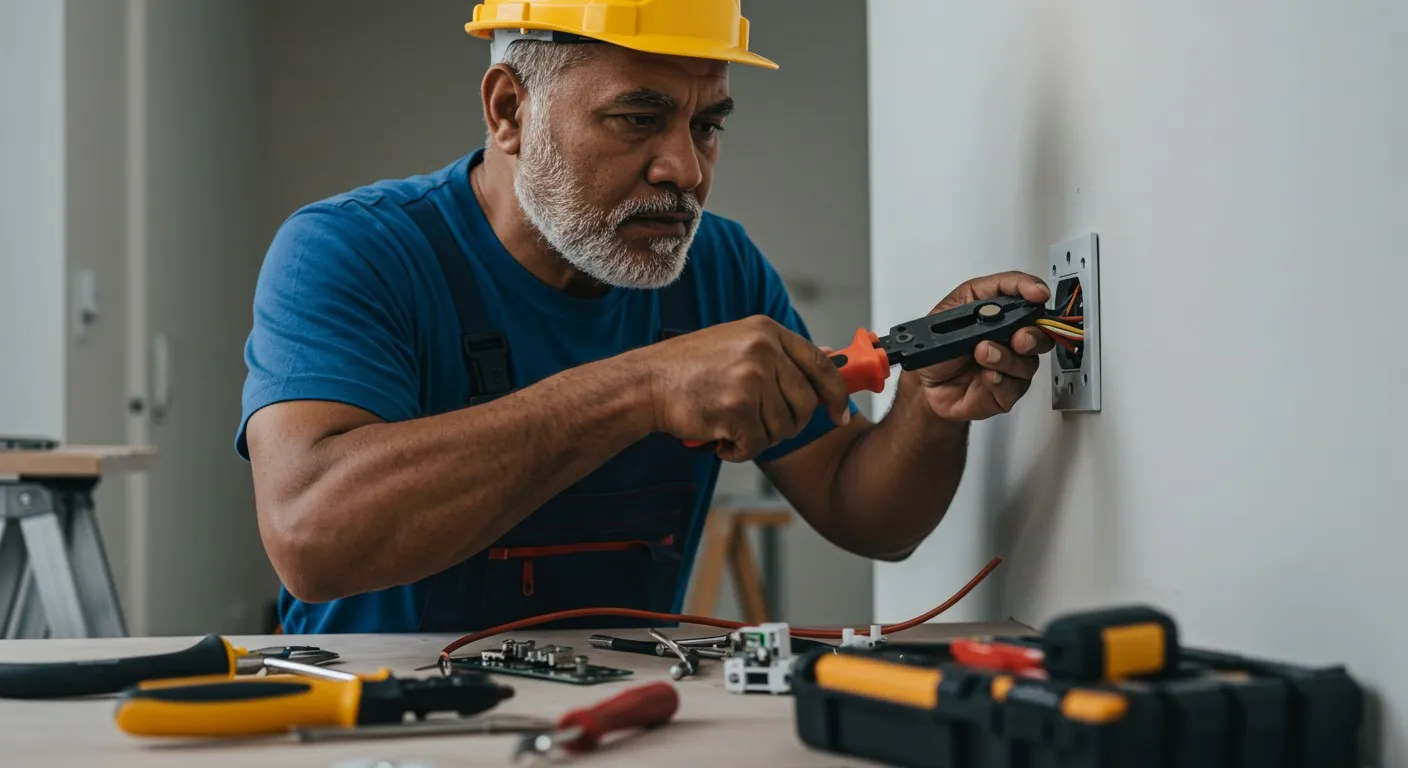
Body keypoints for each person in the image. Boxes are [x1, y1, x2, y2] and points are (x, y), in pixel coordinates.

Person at [237, 0, 1055, 634]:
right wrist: (642, 389)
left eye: (706, 125)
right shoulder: (352, 253)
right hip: (381, 716)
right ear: (509, 110)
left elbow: (861, 506)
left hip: (629, 712)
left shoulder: (722, 268)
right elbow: (313, 535)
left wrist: (930, 410)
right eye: (638, 118)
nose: (685, 169)